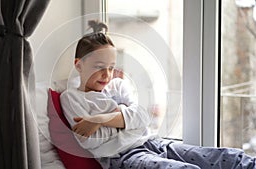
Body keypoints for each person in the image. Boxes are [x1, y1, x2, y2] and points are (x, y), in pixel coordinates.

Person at [59, 20, 256, 169]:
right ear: (79, 64)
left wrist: (100, 119)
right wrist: (123, 114)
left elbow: (142, 118)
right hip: (122, 156)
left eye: (111, 67)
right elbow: (94, 140)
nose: (107, 75)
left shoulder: (117, 85)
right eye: (99, 67)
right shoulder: (71, 98)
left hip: (153, 142)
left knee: (227, 157)